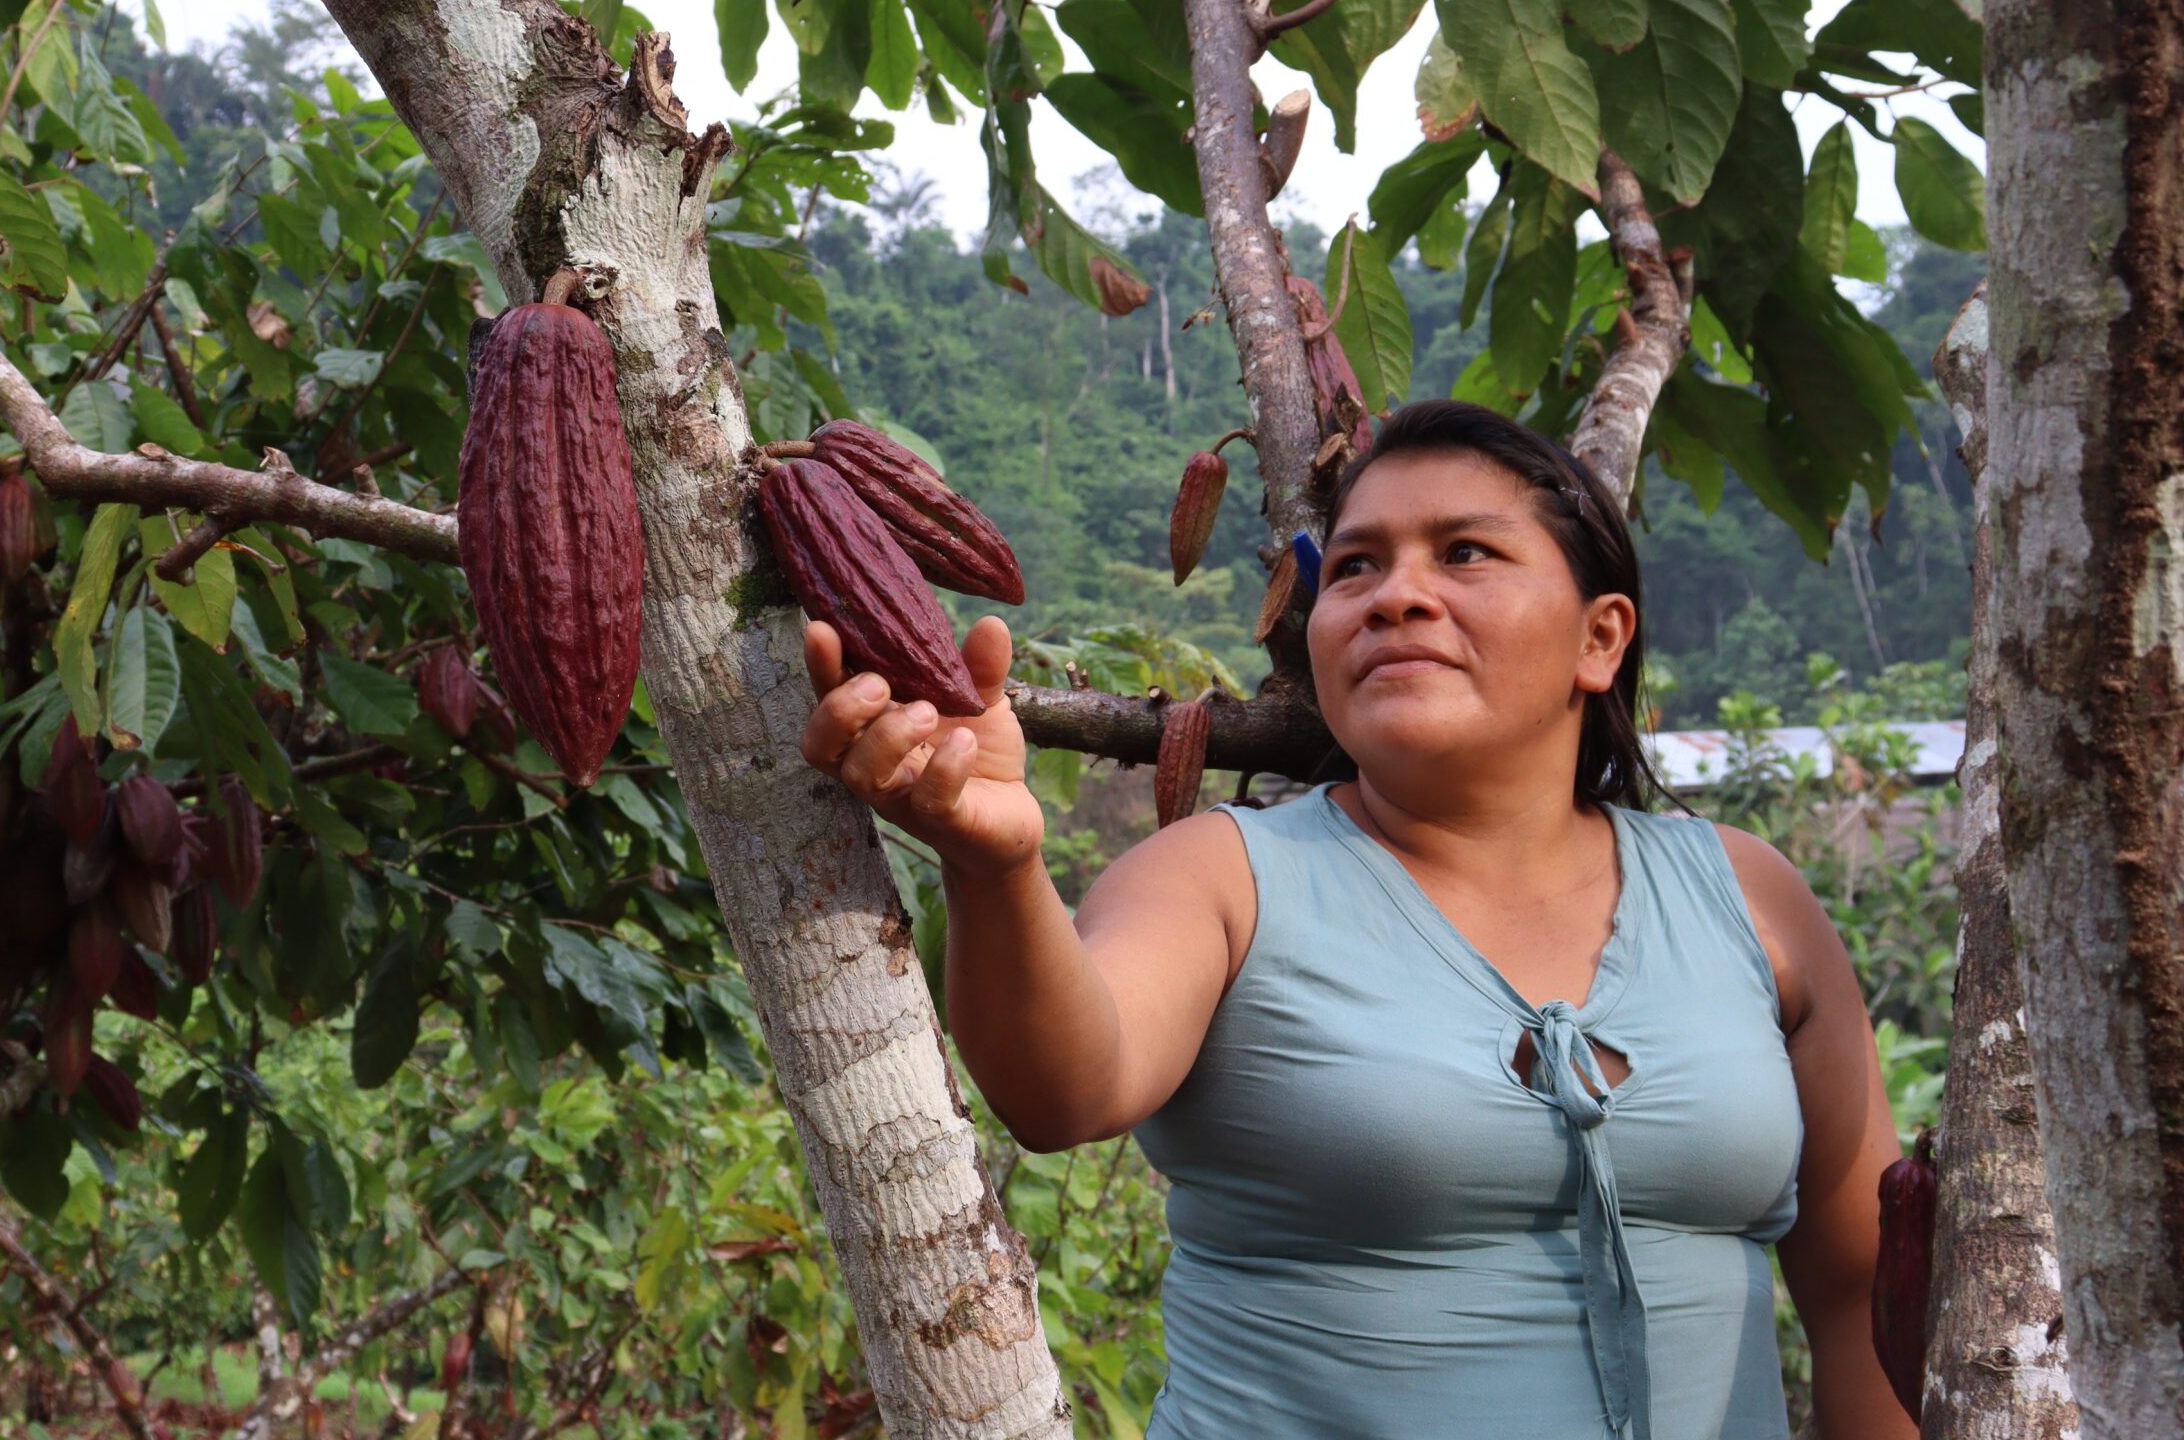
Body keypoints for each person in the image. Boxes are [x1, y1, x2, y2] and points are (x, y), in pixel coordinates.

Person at [797, 400, 1912, 1439]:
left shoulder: (1747, 894)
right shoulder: (1221, 877)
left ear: (1600, 638)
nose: (1394, 594)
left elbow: (1862, 1286)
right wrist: (994, 868)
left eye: (1464, 553)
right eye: (1358, 567)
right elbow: (1066, 1087)